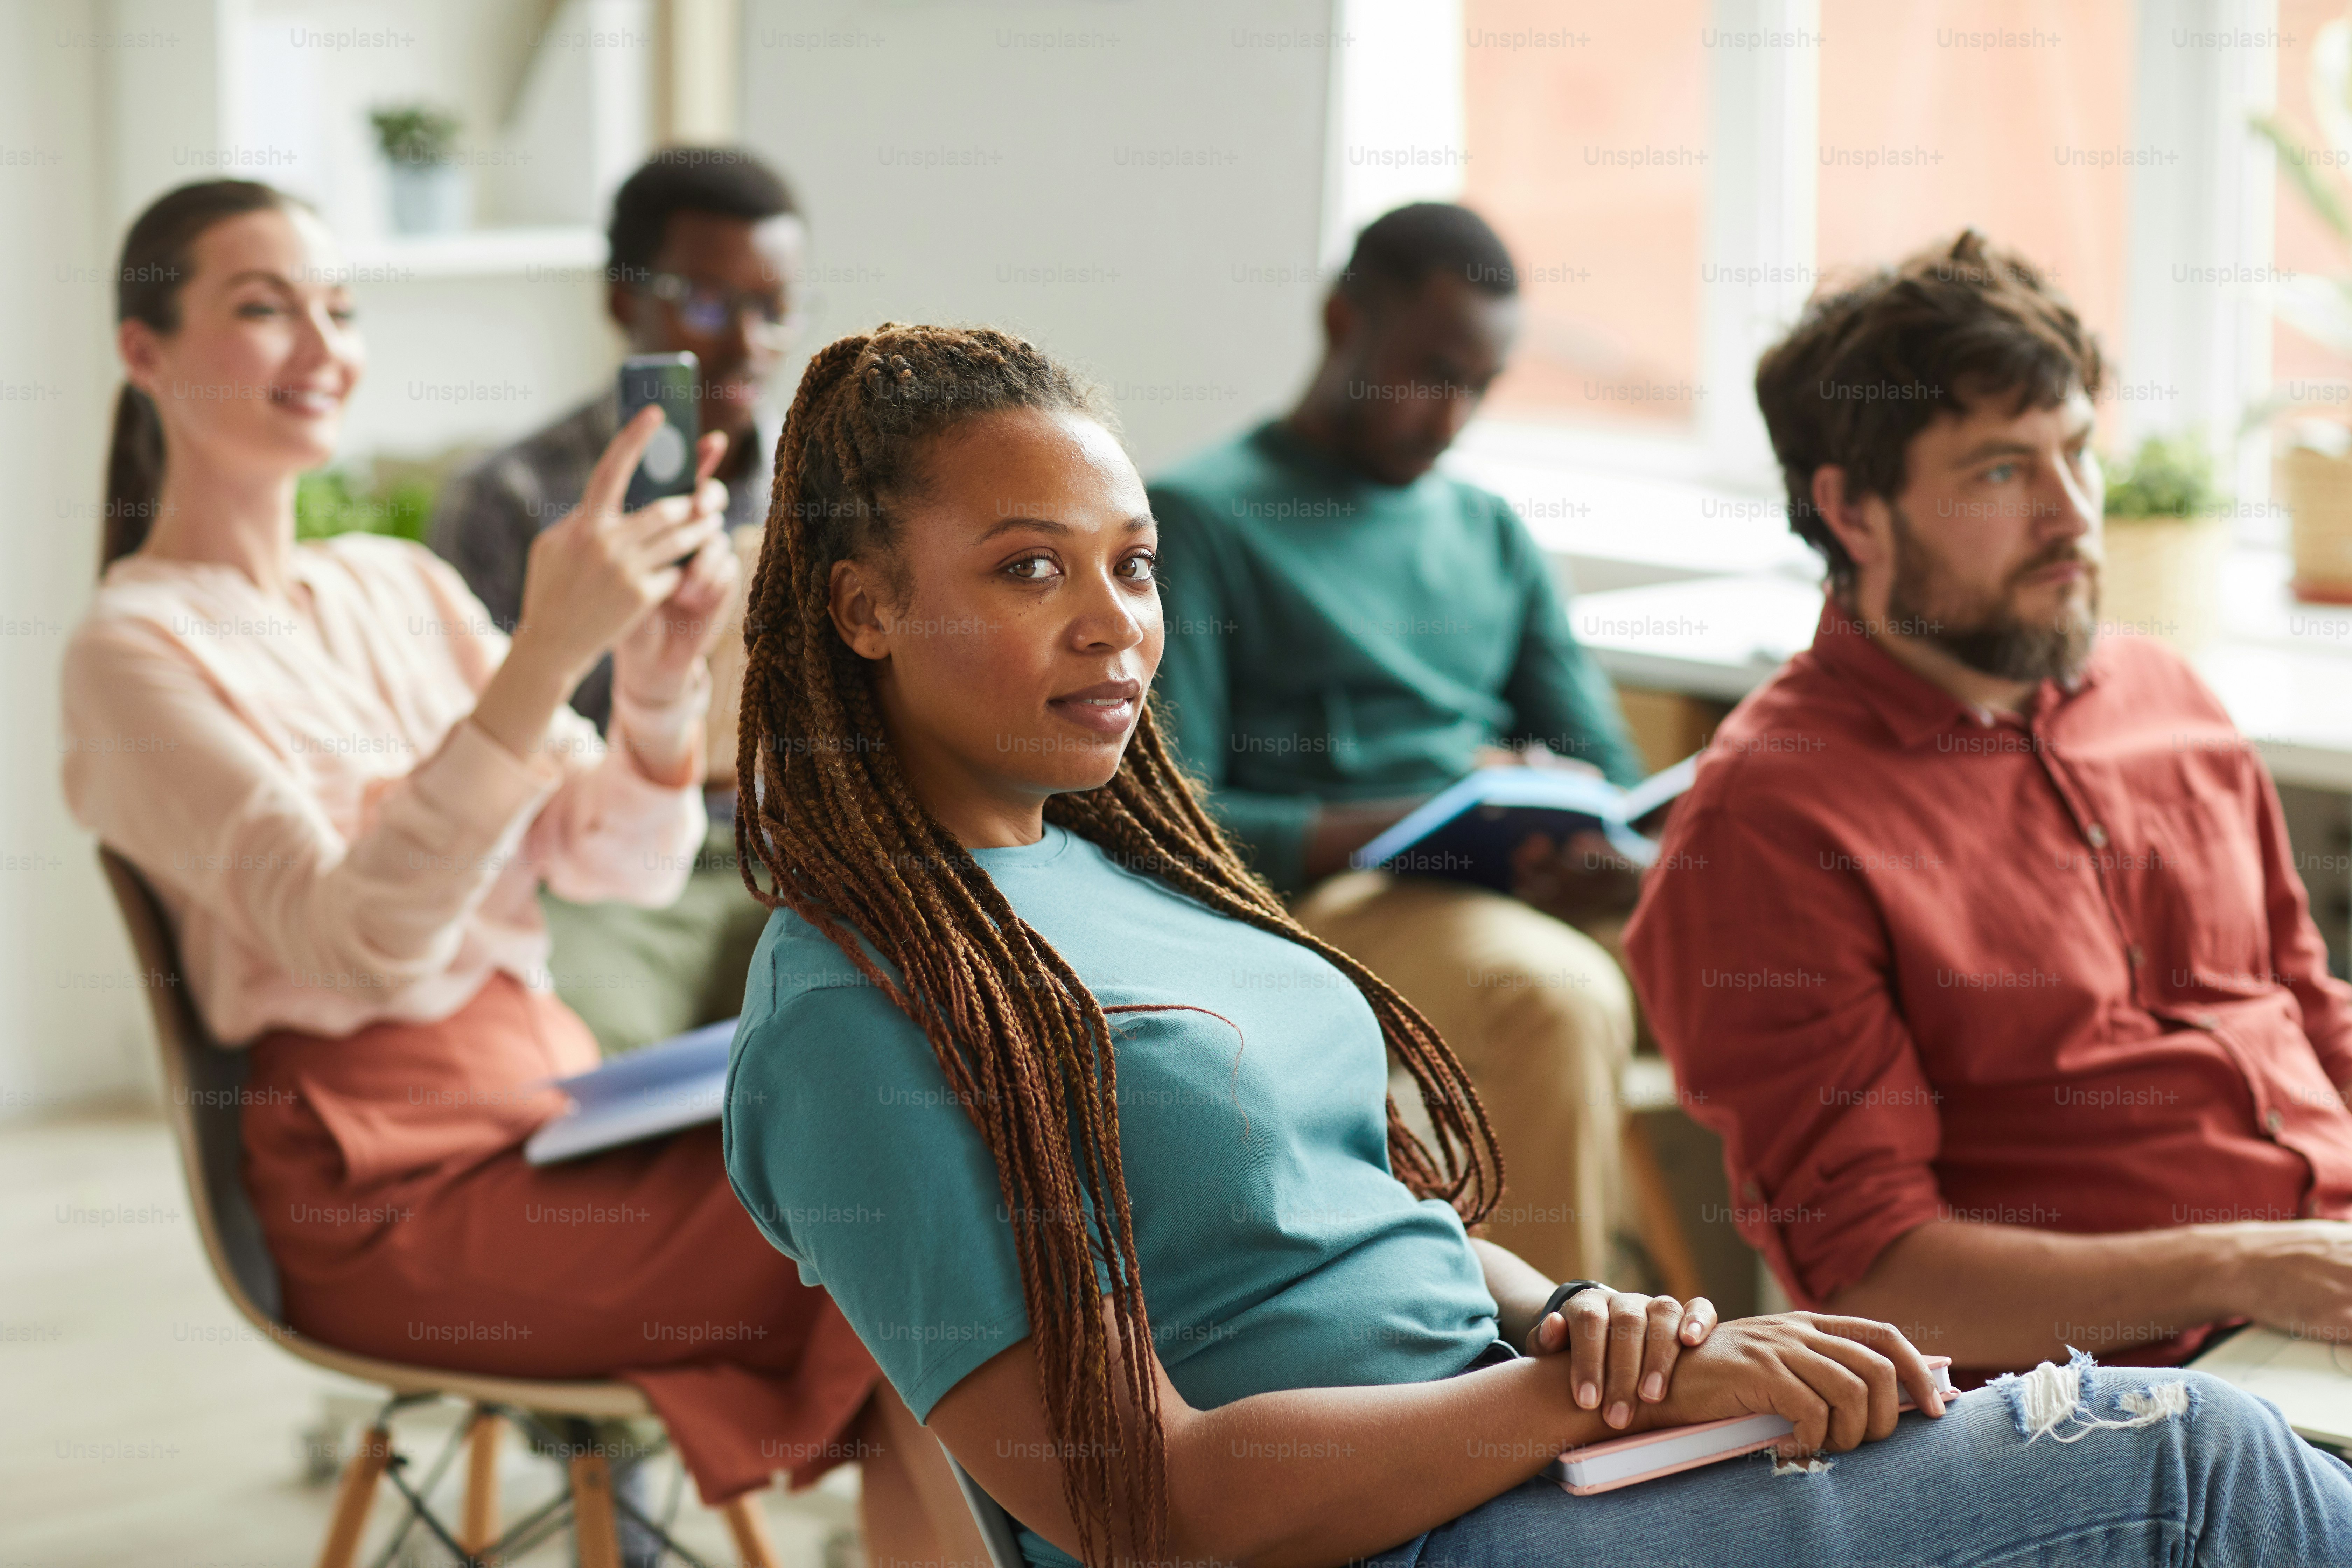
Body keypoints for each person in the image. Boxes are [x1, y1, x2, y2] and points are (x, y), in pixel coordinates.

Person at [718, 321, 2352, 1568]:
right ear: (864, 608)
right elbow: (1143, 1504)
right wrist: (1586, 1396)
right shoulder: (860, 1000)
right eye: (1028, 571)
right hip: (1408, 1535)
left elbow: (1365, 1226)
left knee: (2264, 1468)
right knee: (2190, 1465)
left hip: (1528, 1447)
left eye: (1134, 565)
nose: (1113, 620)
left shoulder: (1127, 871)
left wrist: (1583, 1314)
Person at [59, 180, 979, 1566]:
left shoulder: (394, 586)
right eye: (264, 309)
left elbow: (614, 860)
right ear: (147, 352)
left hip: (555, 1107)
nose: (321, 345)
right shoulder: (132, 650)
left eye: (340, 308)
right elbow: (356, 941)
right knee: (901, 1199)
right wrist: (549, 653)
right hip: (392, 1192)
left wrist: (658, 680)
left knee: (940, 1135)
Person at [1623, 229, 2352, 1385]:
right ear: (1854, 512)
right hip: (2121, 1409)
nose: (2072, 515)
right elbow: (1884, 1289)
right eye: (2003, 473)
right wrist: (2252, 1265)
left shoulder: (2169, 699)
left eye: (2077, 453)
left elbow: (2311, 1020)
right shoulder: (1769, 823)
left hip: (2310, 1322)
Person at [1149, 202, 1649, 1281]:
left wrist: (1595, 852)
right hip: (1322, 906)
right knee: (1553, 997)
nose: (1452, 415)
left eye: (1481, 385)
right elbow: (1169, 818)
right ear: (1343, 323)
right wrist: (1408, 825)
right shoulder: (1199, 519)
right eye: (1431, 373)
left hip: (1503, 892)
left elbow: (1608, 769)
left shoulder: (1487, 532)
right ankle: (1557, 1385)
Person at [430, 146, 805, 1055]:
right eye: (709, 304)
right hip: (609, 878)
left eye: (772, 311)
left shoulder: (829, 483)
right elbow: (470, 737)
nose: (746, 344)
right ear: (621, 300)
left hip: (795, 864)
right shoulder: (508, 498)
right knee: (584, 1062)